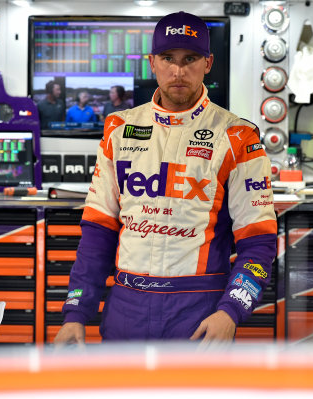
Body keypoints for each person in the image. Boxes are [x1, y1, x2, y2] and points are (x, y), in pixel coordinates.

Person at [54, 11, 277, 345]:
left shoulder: (238, 136)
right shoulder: (118, 129)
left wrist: (231, 310)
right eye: (167, 58)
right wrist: (76, 313)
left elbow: (258, 242)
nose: (178, 71)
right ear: (151, 62)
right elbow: (98, 232)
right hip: (125, 307)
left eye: (190, 59)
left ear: (208, 63)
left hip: (199, 311)